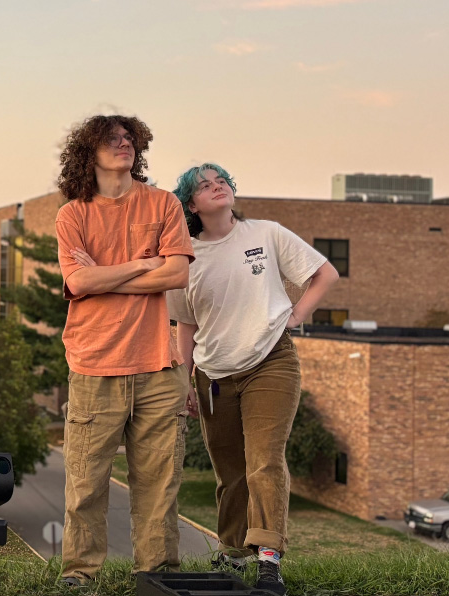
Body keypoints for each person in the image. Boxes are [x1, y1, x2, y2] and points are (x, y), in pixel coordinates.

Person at [168, 163, 338, 596]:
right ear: (192, 204)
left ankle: (267, 559)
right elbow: (185, 324)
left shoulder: (265, 233)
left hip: (271, 362)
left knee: (264, 460)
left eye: (220, 180)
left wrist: (297, 315)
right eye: (204, 186)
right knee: (230, 470)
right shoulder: (184, 255)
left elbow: (325, 274)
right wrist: (185, 379)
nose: (216, 187)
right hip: (213, 375)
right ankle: (232, 549)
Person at [54, 114, 194, 587]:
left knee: (159, 486)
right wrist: (142, 264)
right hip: (95, 363)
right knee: (86, 484)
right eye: (111, 139)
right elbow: (78, 280)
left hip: (159, 363)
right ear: (87, 152)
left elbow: (177, 274)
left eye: (129, 138)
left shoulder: (163, 204)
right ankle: (81, 573)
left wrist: (107, 277)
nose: (123, 144)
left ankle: (157, 576)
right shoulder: (73, 214)